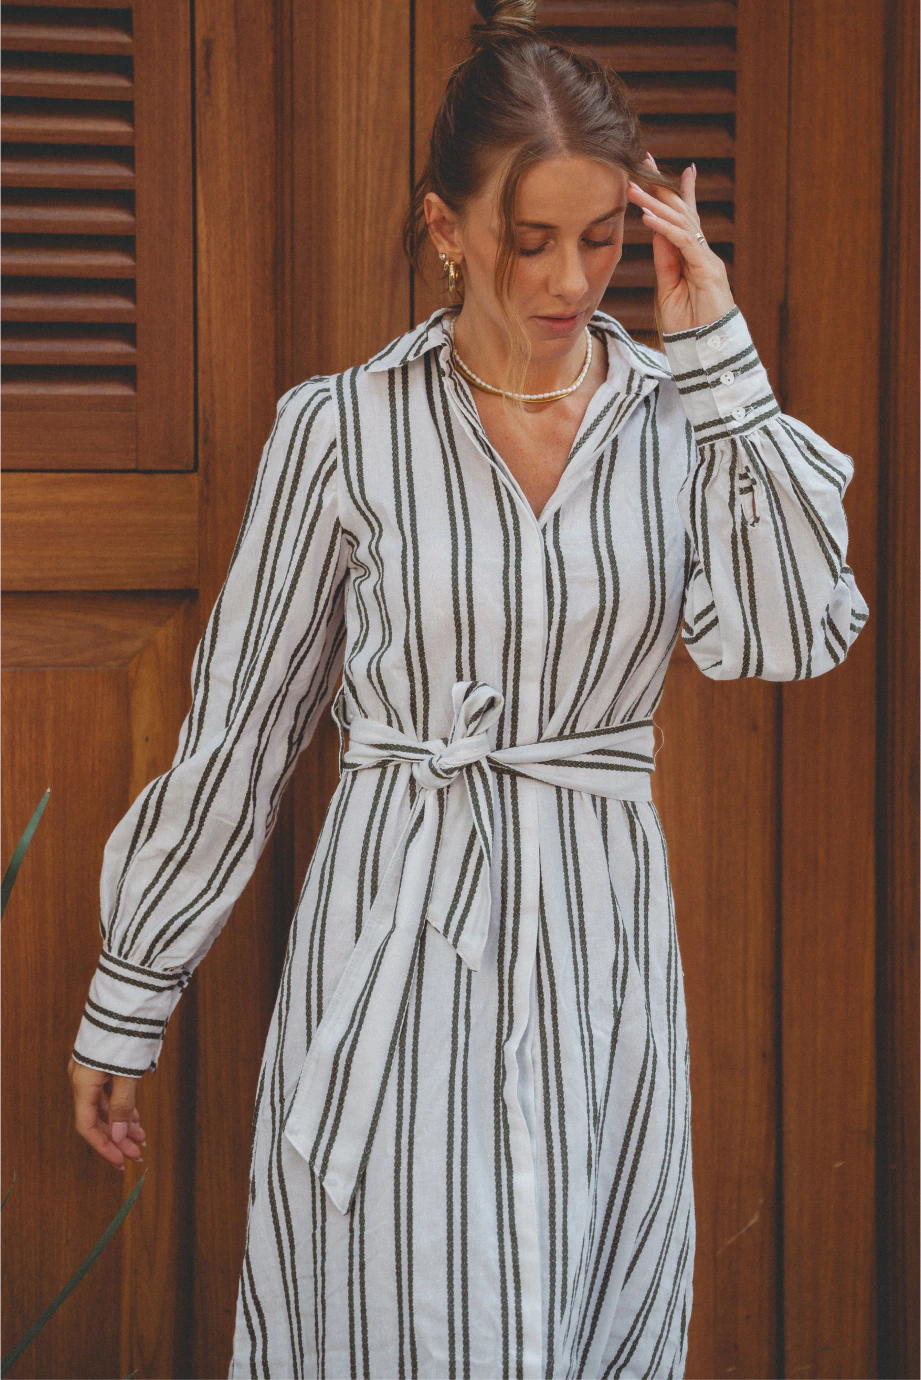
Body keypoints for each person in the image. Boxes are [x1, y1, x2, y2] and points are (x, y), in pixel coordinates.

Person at [68, 2, 869, 1376]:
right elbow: (239, 738)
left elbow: (791, 634)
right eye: (529, 239)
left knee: (588, 1325)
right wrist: (128, 997)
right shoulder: (341, 431)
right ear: (446, 228)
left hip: (601, 957)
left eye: (602, 238)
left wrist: (720, 353)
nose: (571, 280)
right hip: (398, 938)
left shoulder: (680, 423)